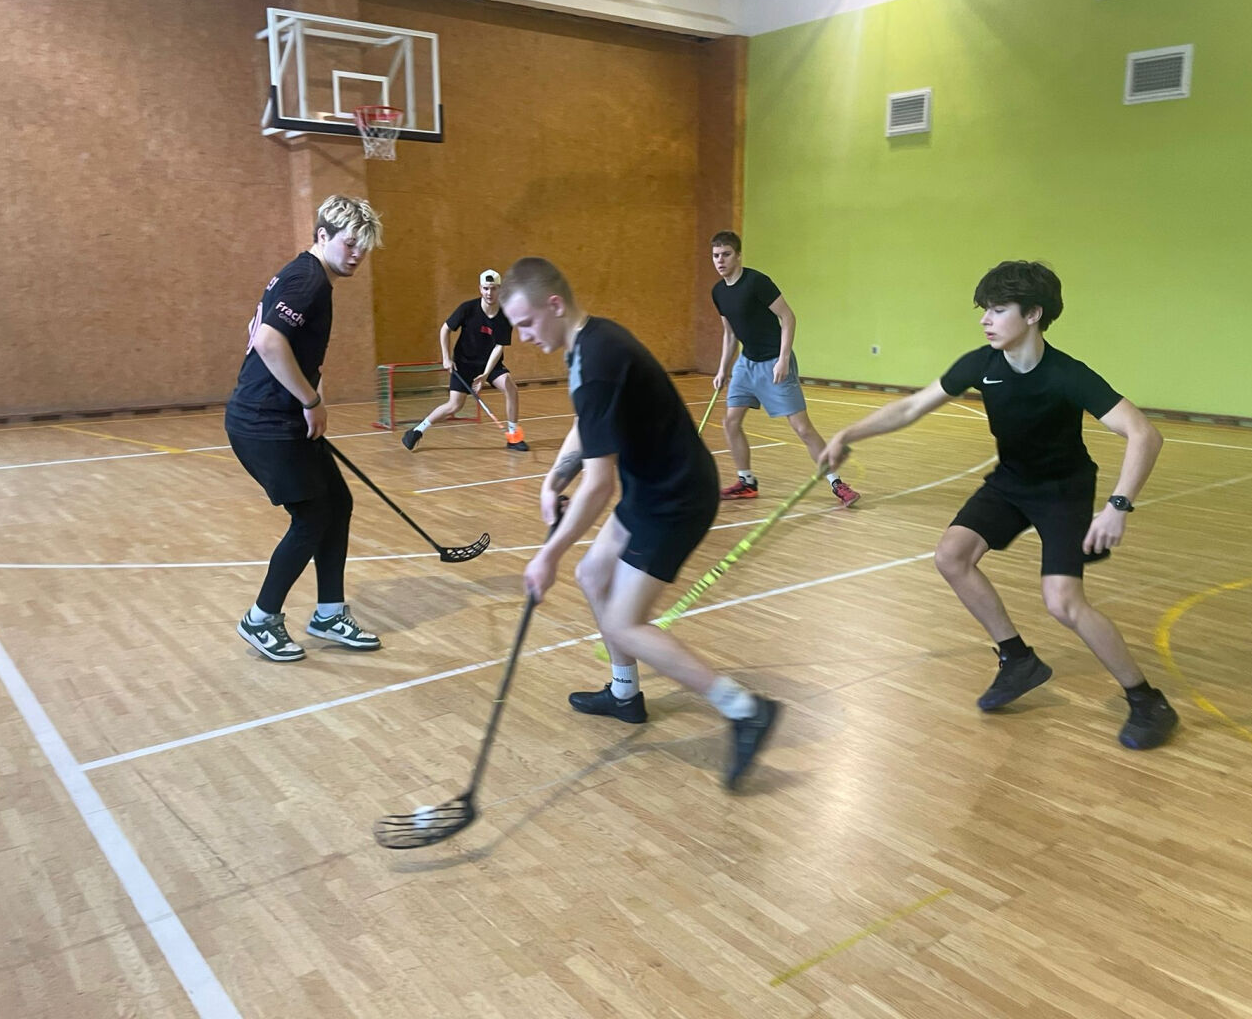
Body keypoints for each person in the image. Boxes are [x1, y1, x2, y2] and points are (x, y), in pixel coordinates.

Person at [818, 260, 1178, 749]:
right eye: (984, 310)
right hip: (1011, 482)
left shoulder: (1067, 374)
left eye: (998, 309)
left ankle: (1147, 700)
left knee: (1063, 602)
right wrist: (848, 434)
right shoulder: (982, 365)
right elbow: (911, 406)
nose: (985, 320)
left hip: (1062, 489)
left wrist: (1118, 505)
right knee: (951, 556)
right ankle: (1018, 659)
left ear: (1033, 314)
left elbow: (1144, 434)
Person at [501, 256, 779, 789]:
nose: (524, 336)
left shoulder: (597, 358)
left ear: (554, 305)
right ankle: (625, 694)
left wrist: (547, 555)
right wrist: (553, 479)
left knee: (625, 622)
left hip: (676, 498)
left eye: (527, 323)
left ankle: (746, 710)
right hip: (651, 487)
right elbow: (588, 423)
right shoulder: (586, 344)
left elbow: (599, 486)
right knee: (592, 575)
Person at [224, 195, 385, 662]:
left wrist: (310, 394)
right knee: (312, 517)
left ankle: (329, 613)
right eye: (350, 243)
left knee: (338, 502)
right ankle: (261, 619)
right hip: (263, 422)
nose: (357, 254)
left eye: (364, 246)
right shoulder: (308, 281)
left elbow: (271, 335)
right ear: (322, 235)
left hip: (281, 416)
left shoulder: (305, 275)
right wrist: (310, 401)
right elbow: (267, 341)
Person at [709, 230, 860, 508]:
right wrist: (722, 370)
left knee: (802, 428)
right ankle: (746, 482)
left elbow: (788, 317)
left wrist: (783, 358)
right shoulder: (718, 292)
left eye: (726, 254)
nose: (720, 260)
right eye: (716, 255)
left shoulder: (757, 282)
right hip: (746, 364)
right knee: (730, 422)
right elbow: (729, 335)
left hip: (773, 362)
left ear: (738, 255)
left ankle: (837, 483)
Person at [402, 270, 528, 451]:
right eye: (486, 288)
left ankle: (513, 437)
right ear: (480, 289)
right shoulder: (467, 309)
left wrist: (485, 375)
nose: (489, 293)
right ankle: (417, 431)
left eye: (493, 288)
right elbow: (445, 329)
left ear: (500, 289)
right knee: (454, 405)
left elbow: (499, 347)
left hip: (490, 364)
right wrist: (446, 358)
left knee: (510, 386)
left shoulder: (505, 316)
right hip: (464, 364)